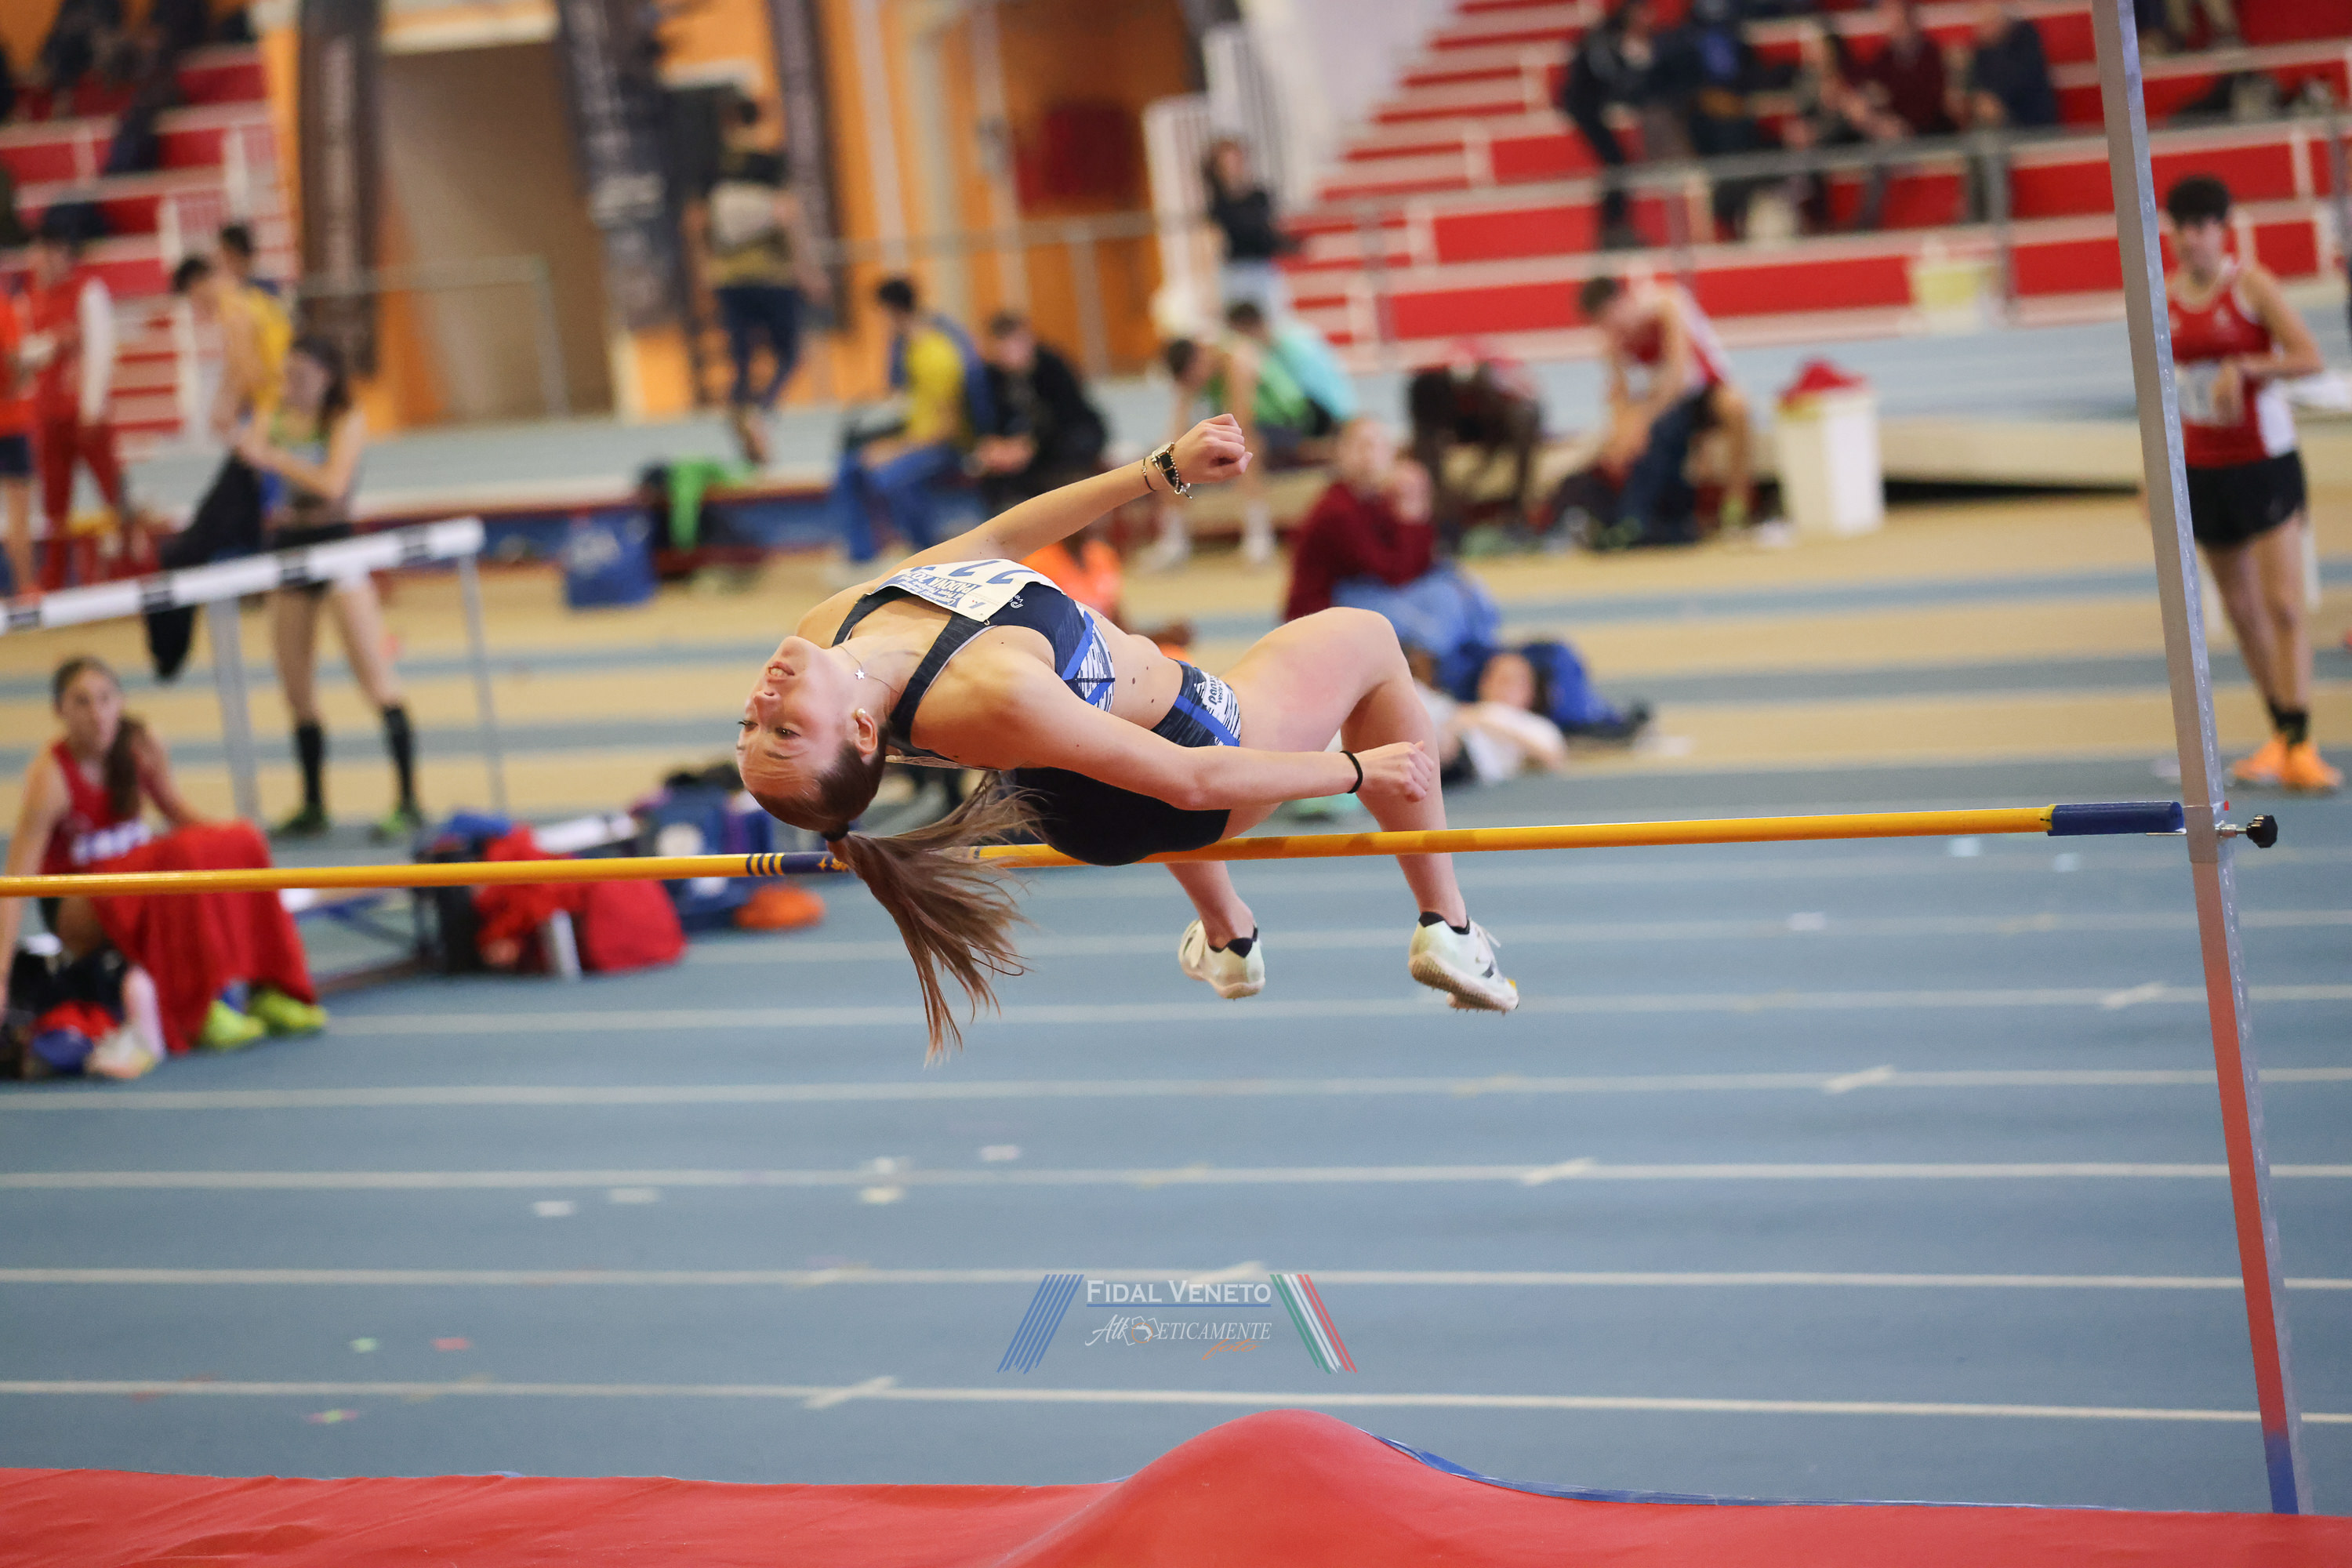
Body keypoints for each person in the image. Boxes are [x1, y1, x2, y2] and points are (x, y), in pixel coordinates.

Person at [735, 413, 1520, 1052]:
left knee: (1113, 721)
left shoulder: (832, 622)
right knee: (1368, 638)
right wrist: (1356, 770)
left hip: (1066, 786)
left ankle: (1229, 934)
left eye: (752, 724)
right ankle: (1449, 926)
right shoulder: (989, 689)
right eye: (788, 729)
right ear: (861, 730)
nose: (765, 699)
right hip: (1182, 771)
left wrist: (1161, 470)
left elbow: (998, 542)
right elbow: (1189, 781)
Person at [2, 656, 327, 1058]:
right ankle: (198, 1008)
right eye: (81, 702)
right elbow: (15, 883)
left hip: (138, 880)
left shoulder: (138, 746)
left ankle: (269, 987)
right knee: (176, 856)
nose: (97, 714)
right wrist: (1, 977)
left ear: (120, 702)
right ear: (59, 711)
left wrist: (231, 843)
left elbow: (176, 810)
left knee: (242, 839)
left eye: (105, 699)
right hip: (79, 903)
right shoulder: (50, 778)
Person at [2164, 176, 2334, 790]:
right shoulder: (2165, 298)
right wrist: (2154, 476)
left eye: (2201, 226)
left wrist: (2247, 366)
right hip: (2203, 467)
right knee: (2240, 610)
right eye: (2181, 228)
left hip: (2265, 462)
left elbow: (2310, 356)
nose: (2191, 239)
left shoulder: (2251, 286)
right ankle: (2281, 734)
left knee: (2284, 604)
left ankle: (2302, 742)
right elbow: (2163, 391)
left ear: (2222, 229)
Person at [233, 336, 423, 838]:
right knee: (296, 690)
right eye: (287, 375)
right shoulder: (273, 411)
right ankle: (314, 805)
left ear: (327, 377)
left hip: (338, 549)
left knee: (375, 680)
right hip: (288, 548)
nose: (292, 385)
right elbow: (244, 449)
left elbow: (333, 484)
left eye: (302, 376)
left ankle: (408, 801)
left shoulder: (345, 418)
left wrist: (276, 458)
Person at [1156, 303, 1353, 568]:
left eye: (1195, 378)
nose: (1196, 385)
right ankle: (1173, 540)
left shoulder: (1237, 357)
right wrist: (1169, 455)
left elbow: (1239, 421)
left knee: (1243, 445)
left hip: (1294, 422)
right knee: (1168, 452)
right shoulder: (1193, 368)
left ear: (1200, 357)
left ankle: (1259, 536)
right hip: (1257, 424)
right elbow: (1176, 428)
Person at [693, 96, 830, 466]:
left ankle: (744, 423)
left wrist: (706, 266)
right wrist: (808, 271)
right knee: (790, 354)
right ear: (757, 124)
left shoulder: (712, 168)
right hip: (771, 275)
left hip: (729, 276)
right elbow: (789, 218)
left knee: (742, 361)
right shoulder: (770, 164)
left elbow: (698, 223)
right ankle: (762, 413)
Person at [1579, 272, 1756, 542]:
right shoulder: (1612, 343)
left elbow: (1679, 379)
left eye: (1610, 319)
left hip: (1704, 390)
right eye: (1602, 325)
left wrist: (1642, 423)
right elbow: (1620, 399)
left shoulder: (1668, 305)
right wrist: (1621, 434)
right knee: (1630, 436)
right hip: (1670, 405)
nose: (1610, 329)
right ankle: (1644, 516)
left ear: (1623, 302)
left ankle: (1737, 501)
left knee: (1736, 406)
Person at [830, 276, 988, 573]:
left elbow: (948, 428)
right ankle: (863, 556)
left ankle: (925, 557)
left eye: (879, 315)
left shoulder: (937, 353)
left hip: (948, 446)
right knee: (851, 465)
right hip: (919, 437)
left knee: (890, 475)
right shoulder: (910, 347)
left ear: (892, 311)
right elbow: (907, 405)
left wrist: (895, 449)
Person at [23, 220, 135, 588]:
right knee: (55, 503)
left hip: (85, 413)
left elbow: (101, 348)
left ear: (62, 254)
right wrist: (53, 345)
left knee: (112, 491)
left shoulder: (88, 291)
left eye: (45, 254)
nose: (40, 263)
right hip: (49, 415)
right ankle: (55, 576)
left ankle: (130, 565)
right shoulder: (32, 297)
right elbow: (26, 353)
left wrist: (92, 406)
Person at [1283, 419, 1433, 624]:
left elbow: (1422, 565)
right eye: (1362, 446)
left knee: (1449, 583)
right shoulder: (1337, 509)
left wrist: (1413, 505)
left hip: (1361, 599)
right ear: (1341, 453)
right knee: (1427, 613)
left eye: (1379, 447)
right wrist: (1411, 519)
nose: (1370, 457)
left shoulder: (1377, 500)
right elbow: (1394, 575)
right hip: (1320, 616)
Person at [1406, 344, 1545, 544]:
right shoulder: (1432, 383)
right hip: (1462, 430)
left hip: (1496, 430)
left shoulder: (1504, 379)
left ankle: (1518, 508)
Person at [975, 311, 1107, 514]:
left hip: (1066, 436)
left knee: (1067, 454)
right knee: (991, 474)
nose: (1010, 354)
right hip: (1020, 444)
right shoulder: (993, 376)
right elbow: (993, 420)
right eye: (1002, 348)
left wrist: (1030, 446)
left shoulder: (1052, 366)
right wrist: (997, 446)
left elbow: (1067, 415)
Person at [1562, 0, 1661, 251]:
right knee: (1616, 164)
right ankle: (1611, 230)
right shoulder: (1604, 40)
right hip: (1583, 107)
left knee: (1618, 164)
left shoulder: (1614, 40)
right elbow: (1610, 76)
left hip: (1592, 106)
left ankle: (1615, 228)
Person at [1201, 138, 1295, 321]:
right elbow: (1213, 245)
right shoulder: (1218, 206)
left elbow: (1271, 231)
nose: (1233, 168)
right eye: (1226, 164)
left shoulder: (1259, 197)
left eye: (1236, 161)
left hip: (1262, 267)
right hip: (1235, 271)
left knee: (1273, 320)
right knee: (1240, 323)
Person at [0, 284, 32, 597]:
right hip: (9, 424)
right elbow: (14, 361)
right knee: (18, 514)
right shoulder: (4, 308)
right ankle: (25, 587)